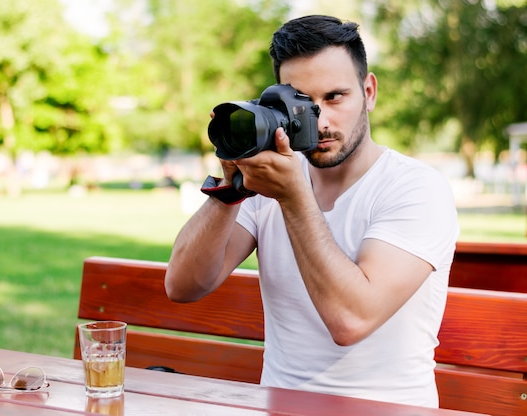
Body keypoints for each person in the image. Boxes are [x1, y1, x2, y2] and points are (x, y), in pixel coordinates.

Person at [165, 15, 459, 408]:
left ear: (368, 92)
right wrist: (231, 187)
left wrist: (293, 196)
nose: (318, 121)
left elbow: (351, 321)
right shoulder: (272, 182)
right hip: (279, 406)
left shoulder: (416, 188)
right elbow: (183, 286)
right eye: (302, 102)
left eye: (334, 97)